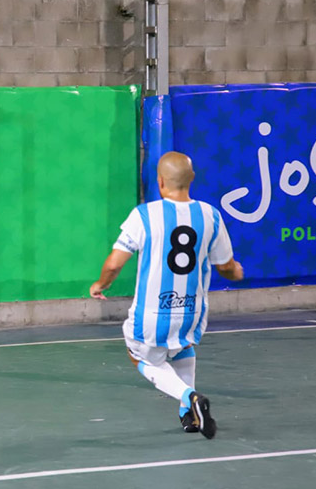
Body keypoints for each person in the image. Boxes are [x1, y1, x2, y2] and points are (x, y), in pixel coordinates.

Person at [89, 151, 243, 439]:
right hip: (192, 312)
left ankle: (189, 397)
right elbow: (226, 267)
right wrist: (237, 273)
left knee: (141, 357)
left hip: (152, 314)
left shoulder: (144, 215)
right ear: (192, 178)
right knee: (182, 345)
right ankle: (189, 415)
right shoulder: (210, 215)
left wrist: (101, 284)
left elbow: (114, 263)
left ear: (160, 182)